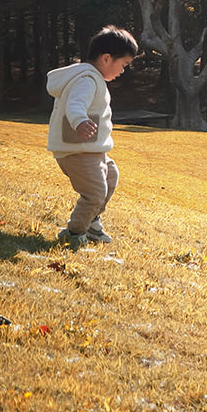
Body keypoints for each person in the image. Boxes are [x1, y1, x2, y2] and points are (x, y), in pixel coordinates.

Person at [46, 25, 137, 248]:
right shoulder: (86, 79)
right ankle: (75, 232)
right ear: (107, 58)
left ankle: (93, 221)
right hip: (77, 150)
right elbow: (75, 104)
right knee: (95, 193)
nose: (123, 71)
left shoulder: (92, 77)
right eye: (123, 65)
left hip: (91, 149)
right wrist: (80, 122)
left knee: (111, 177)